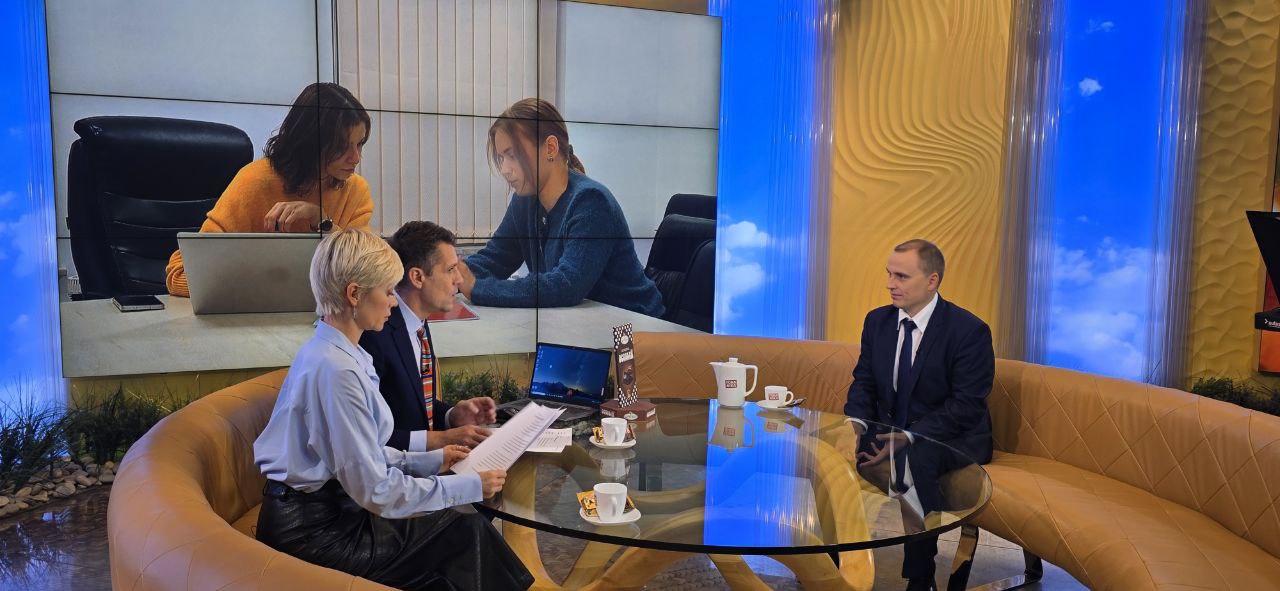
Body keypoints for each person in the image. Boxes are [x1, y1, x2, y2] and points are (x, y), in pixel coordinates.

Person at [253, 228, 533, 591]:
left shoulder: (338, 352)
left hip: (325, 512)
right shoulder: (337, 371)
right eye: (387, 291)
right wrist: (468, 485)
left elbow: (365, 452)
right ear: (354, 294)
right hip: (315, 532)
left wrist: (432, 461)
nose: (393, 303)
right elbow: (376, 490)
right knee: (462, 528)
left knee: (460, 527)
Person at [840, 239, 994, 591]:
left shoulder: (969, 331)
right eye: (889, 274)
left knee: (912, 458)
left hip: (951, 435)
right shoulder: (877, 321)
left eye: (901, 276)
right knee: (830, 452)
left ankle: (920, 575)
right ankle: (834, 563)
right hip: (891, 427)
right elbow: (864, 382)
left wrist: (909, 435)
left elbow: (967, 404)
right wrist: (855, 426)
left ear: (932, 281)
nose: (890, 284)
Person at [458, 98, 664, 317]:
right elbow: (495, 258)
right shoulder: (525, 201)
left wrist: (478, 289)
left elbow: (566, 285)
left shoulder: (591, 202)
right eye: (501, 158)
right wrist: (449, 274)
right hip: (583, 323)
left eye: (512, 155)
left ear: (551, 148)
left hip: (634, 327)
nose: (505, 169)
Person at [165, 82, 375, 297]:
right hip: (254, 310)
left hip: (320, 314)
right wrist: (262, 284)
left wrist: (323, 222)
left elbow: (371, 274)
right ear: (311, 142)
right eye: (342, 147)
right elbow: (180, 274)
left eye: (359, 144)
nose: (356, 158)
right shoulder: (254, 182)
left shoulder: (356, 190)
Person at [361, 220, 497, 452]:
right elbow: (366, 437)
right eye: (450, 270)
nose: (459, 280)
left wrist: (451, 416)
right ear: (417, 277)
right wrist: (443, 439)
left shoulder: (417, 322)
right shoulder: (375, 333)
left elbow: (412, 406)